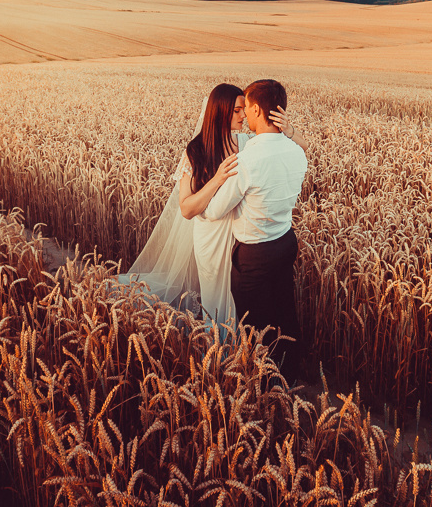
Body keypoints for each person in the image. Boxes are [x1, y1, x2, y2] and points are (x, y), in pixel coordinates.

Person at [202, 79, 308, 384]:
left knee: (254, 324)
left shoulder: (247, 159)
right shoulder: (297, 153)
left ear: (258, 109)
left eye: (246, 108)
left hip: (255, 254)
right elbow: (300, 148)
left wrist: (209, 188)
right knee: (285, 311)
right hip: (286, 242)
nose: (244, 115)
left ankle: (262, 386)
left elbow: (214, 210)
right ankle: (290, 373)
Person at [121, 83, 246, 327]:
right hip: (210, 237)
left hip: (241, 236)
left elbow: (296, 147)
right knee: (215, 302)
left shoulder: (246, 143)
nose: (244, 116)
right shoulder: (195, 151)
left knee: (241, 301)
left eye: (244, 110)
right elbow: (187, 209)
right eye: (237, 111)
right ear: (220, 112)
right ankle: (218, 349)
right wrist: (217, 179)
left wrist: (287, 128)